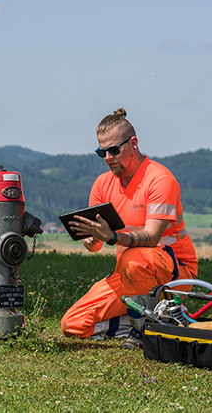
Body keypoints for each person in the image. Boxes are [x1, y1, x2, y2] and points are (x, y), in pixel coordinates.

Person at [61, 108, 199, 340]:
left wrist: (112, 237)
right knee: (72, 325)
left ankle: (141, 329)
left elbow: (152, 237)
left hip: (176, 273)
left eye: (114, 150)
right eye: (101, 152)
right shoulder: (102, 184)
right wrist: (91, 238)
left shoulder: (160, 180)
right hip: (129, 274)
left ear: (133, 143)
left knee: (133, 258)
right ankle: (155, 322)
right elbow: (95, 247)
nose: (108, 157)